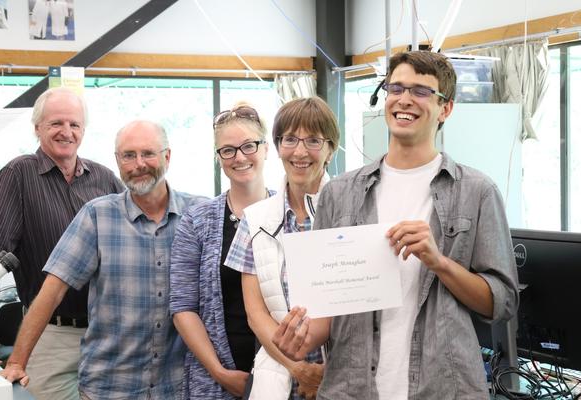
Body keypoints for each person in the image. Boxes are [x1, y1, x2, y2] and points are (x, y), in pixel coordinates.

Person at [272, 51, 520, 400]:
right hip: (352, 389)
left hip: (444, 388)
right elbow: (327, 309)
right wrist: (300, 340)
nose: (405, 99)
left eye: (421, 91)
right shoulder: (339, 193)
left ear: (445, 108)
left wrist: (439, 262)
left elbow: (502, 303)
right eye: (396, 88)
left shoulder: (477, 192)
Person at [0, 120, 207, 399]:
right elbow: (51, 292)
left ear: (167, 156)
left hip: (178, 386)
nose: (138, 164)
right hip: (109, 388)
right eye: (128, 156)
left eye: (148, 153)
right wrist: (16, 362)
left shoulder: (200, 214)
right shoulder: (97, 215)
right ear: (118, 162)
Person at [0, 87, 123, 400]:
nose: (66, 132)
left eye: (74, 124)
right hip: (51, 336)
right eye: (56, 123)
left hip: (107, 336)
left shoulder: (106, 179)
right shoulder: (17, 175)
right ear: (37, 128)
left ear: (83, 130)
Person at [225, 97, 340, 400]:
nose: (300, 152)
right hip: (277, 377)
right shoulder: (256, 219)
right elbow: (256, 314)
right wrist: (298, 368)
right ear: (276, 147)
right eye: (290, 139)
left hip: (343, 372)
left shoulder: (352, 212)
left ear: (331, 148)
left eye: (313, 140)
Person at [170, 104, 272, 399]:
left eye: (249, 146)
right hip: (215, 380)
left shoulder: (290, 213)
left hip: (283, 372)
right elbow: (182, 306)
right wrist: (219, 373)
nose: (239, 157)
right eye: (228, 150)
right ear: (219, 158)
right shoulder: (197, 220)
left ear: (266, 149)